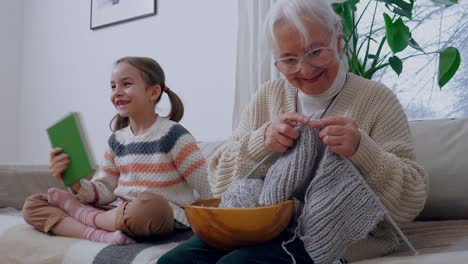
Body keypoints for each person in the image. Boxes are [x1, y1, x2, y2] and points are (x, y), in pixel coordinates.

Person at [157, 0, 428, 263]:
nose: (305, 69)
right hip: (259, 223)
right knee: (175, 260)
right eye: (289, 59)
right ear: (276, 61)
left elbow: (410, 201)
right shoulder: (267, 97)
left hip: (340, 231)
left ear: (338, 41)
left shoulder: (376, 100)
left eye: (316, 52)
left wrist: (362, 150)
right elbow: (218, 182)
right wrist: (260, 142)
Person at [23, 56, 212, 244]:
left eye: (126, 84)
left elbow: (206, 185)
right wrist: (75, 184)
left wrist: (211, 224)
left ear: (153, 92)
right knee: (34, 204)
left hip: (157, 216)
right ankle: (101, 235)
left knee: (149, 206)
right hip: (117, 213)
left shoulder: (173, 135)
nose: (117, 92)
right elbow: (105, 190)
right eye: (113, 86)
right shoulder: (117, 140)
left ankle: (88, 218)